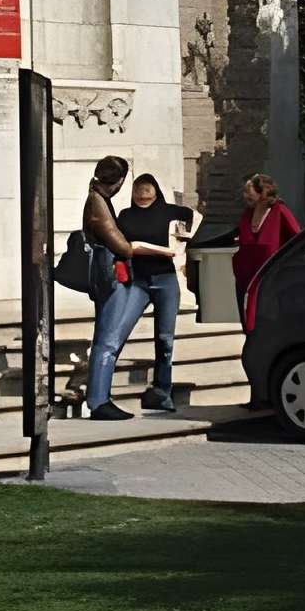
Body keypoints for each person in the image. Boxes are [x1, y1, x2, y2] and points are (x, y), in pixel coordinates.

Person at [81, 156, 164, 420]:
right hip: (110, 278)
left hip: (113, 277)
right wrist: (144, 247)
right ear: (117, 182)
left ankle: (99, 397)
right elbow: (120, 245)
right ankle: (98, 400)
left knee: (109, 337)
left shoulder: (97, 199)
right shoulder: (97, 204)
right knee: (108, 340)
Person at [115, 173, 195, 414]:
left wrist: (182, 243)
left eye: (147, 189)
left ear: (155, 190)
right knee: (118, 330)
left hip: (165, 278)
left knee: (165, 338)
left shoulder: (169, 211)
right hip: (137, 280)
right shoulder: (126, 215)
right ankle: (101, 385)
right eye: (138, 189)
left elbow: (193, 219)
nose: (142, 193)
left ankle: (162, 389)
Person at [232, 173, 300, 326]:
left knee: (267, 323)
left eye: (249, 193)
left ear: (262, 193)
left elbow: (298, 240)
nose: (245, 196)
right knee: (247, 324)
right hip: (245, 279)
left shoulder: (280, 211)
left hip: (269, 280)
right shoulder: (247, 213)